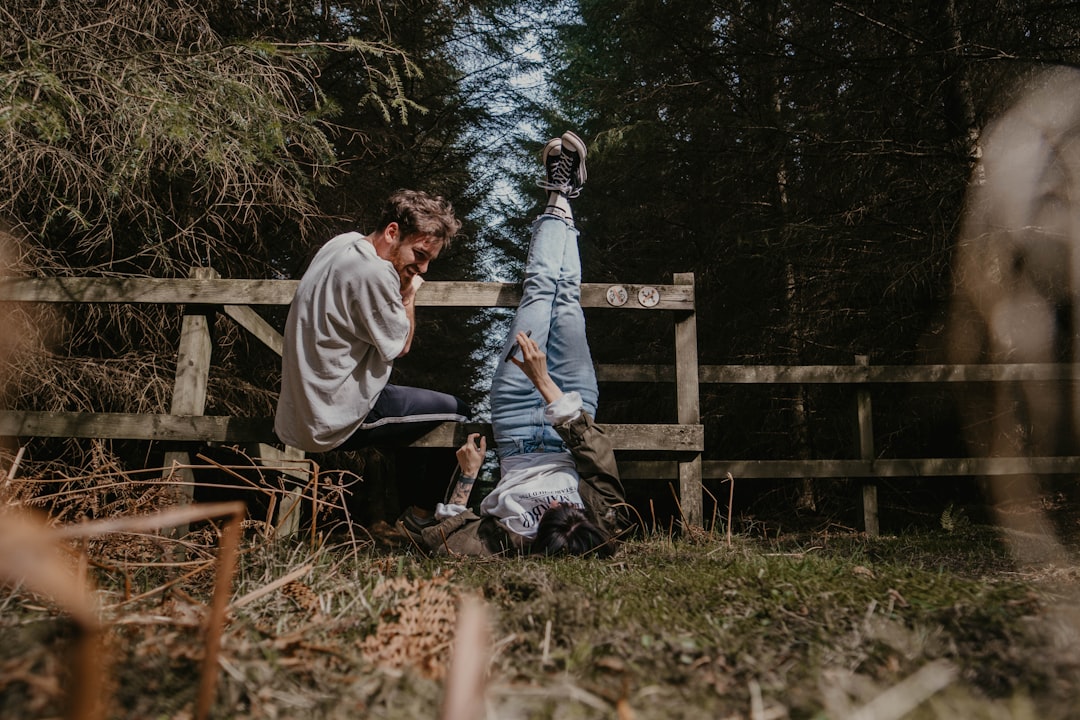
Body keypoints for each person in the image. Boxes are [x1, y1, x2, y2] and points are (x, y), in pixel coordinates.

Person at [397, 132, 632, 557]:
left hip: (517, 420)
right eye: (568, 507)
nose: (559, 502)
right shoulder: (605, 524)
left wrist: (468, 477)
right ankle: (563, 193)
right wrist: (545, 383)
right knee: (567, 298)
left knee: (541, 292)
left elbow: (444, 542)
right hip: (573, 416)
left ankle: (560, 192)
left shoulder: (511, 544)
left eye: (553, 511)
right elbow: (598, 458)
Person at [275, 190, 471, 455]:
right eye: (419, 254)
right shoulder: (375, 273)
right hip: (332, 419)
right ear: (392, 232)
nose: (423, 268)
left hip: (301, 412)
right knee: (458, 413)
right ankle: (437, 499)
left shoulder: (343, 243)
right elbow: (401, 346)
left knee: (414, 412)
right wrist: (409, 295)